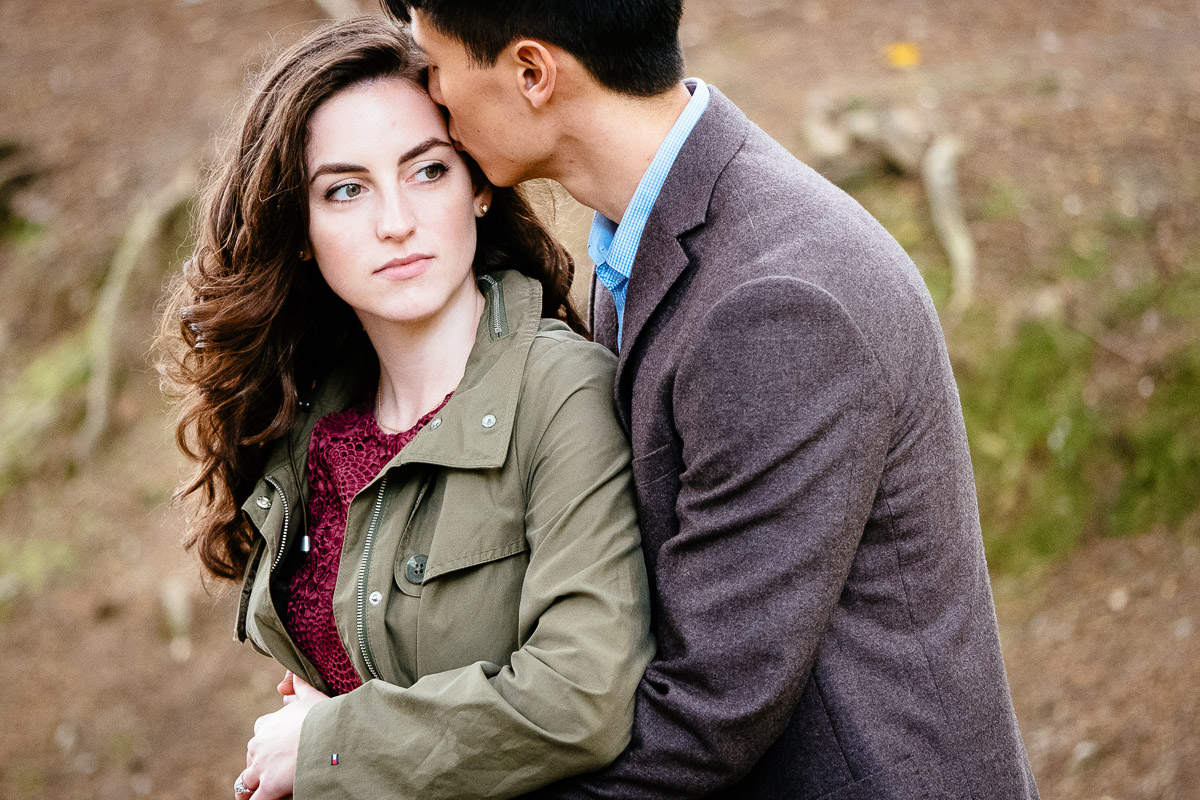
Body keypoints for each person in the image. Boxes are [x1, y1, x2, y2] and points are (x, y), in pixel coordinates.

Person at [383, 2, 1042, 798]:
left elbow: (706, 714)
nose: (434, 95)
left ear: (532, 73)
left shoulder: (778, 303)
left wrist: (382, 775)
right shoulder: (641, 238)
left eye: (436, 65)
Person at [158, 15, 653, 800]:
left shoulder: (563, 392)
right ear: (303, 233)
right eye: (347, 190)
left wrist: (329, 747)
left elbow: (581, 697)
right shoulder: (306, 419)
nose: (396, 223)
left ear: (480, 185)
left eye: (427, 171)